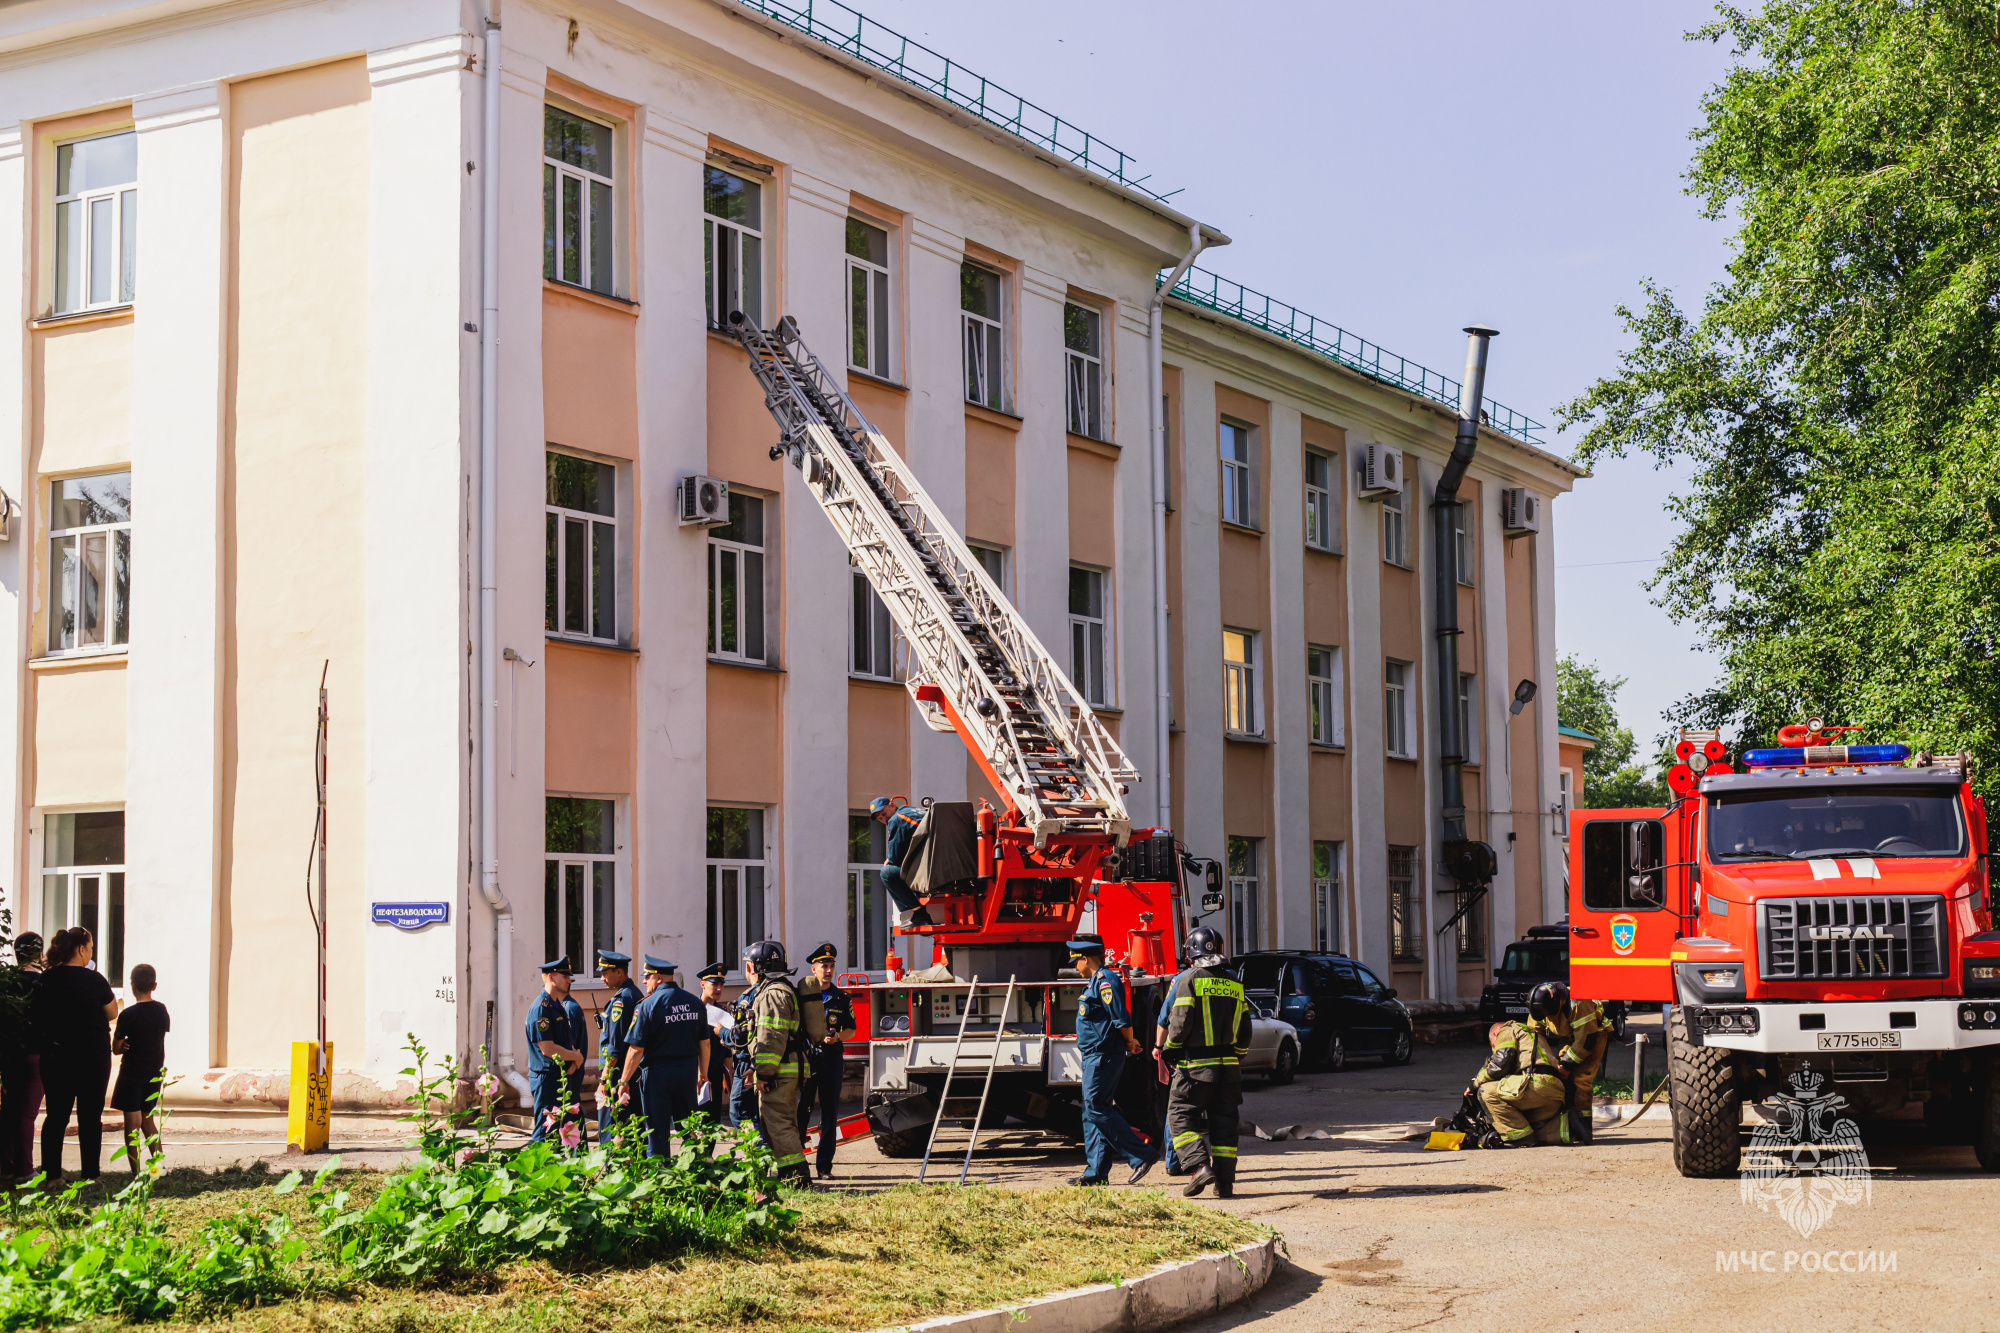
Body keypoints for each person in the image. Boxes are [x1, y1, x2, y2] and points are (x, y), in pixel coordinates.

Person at [1162, 926, 1248, 1198]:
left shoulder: (1189, 979)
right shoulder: (1235, 983)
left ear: (1190, 952)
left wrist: (1170, 1050)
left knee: (1179, 1115)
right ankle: (1225, 1183)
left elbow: (1181, 1021)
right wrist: (1237, 1056)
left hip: (1195, 1067)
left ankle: (1199, 1167)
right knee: (1224, 1124)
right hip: (1229, 1069)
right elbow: (1245, 1029)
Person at [30, 927, 118, 1183]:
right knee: (91, 1117)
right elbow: (112, 1012)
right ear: (81, 949)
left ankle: (52, 1175)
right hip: (93, 1058)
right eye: (90, 948)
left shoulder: (47, 979)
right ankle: (91, 1175)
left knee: (56, 1116)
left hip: (56, 1056)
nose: (91, 953)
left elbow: (37, 1015)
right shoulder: (95, 980)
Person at [1066, 936, 1153, 1188]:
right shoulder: (1095, 981)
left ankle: (1142, 1155)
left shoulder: (1105, 981)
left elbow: (1121, 1018)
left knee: (1096, 1107)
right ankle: (1096, 1172)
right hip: (1095, 1054)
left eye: (1076, 963)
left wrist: (1129, 1041)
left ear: (1085, 959)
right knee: (1091, 1110)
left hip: (1103, 1054)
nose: (1075, 968)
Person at [742, 939, 824, 1186]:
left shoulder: (773, 994)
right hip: (786, 1068)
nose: (747, 972)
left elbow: (771, 1038)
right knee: (783, 1123)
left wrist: (764, 1074)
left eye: (748, 966)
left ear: (756, 967)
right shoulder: (780, 989)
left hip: (780, 1072)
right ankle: (792, 1176)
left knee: (779, 1124)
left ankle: (796, 1179)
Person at [621, 957, 709, 1159]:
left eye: (647, 977)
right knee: (690, 1129)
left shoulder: (646, 1005)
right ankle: (696, 1174)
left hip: (657, 1076)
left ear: (658, 978)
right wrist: (702, 1073)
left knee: (657, 1132)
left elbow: (636, 1049)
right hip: (687, 1074)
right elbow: (705, 1043)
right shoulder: (695, 1002)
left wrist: (625, 1081)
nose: (644, 982)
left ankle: (660, 1181)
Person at [796, 942, 856, 1179]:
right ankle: (798, 1165)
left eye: (831, 965)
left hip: (831, 1060)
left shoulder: (841, 997)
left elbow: (852, 1028)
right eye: (823, 966)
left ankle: (824, 1167)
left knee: (829, 1114)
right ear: (813, 969)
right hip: (808, 1059)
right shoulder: (802, 995)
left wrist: (838, 1036)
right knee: (802, 1110)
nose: (828, 970)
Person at [1470, 1017, 1568, 1147]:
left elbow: (1500, 1065)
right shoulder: (1531, 1034)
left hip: (1536, 1086)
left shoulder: (1507, 1029)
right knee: (1529, 1128)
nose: (1494, 1050)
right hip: (1555, 1094)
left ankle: (1519, 1138)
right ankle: (1570, 1126)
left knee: (1486, 1091)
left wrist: (1474, 1084)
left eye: (1493, 1045)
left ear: (1495, 1034)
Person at [110, 962, 170, 1174]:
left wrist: (122, 1044)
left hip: (131, 1073)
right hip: (154, 1072)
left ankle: (136, 1172)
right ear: (154, 986)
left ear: (132, 986)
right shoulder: (161, 1010)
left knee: (132, 1125)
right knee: (148, 1121)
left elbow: (116, 1048)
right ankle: (159, 1168)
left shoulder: (128, 1014)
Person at [0, 932, 46, 1182]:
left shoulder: (6, 982)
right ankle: (24, 1169)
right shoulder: (43, 984)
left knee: (8, 1109)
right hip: (36, 1052)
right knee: (27, 1113)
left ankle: (6, 1165)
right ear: (39, 954)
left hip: (9, 1053)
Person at [525, 956, 585, 1144]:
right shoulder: (541, 1009)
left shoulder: (556, 1006)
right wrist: (576, 1056)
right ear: (551, 977)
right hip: (546, 1078)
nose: (569, 980)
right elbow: (547, 1048)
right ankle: (537, 1172)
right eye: (565, 975)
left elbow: (565, 1041)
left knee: (564, 1131)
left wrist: (573, 1062)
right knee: (546, 1132)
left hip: (560, 1075)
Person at [593, 950, 641, 1142]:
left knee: (612, 1126)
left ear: (619, 972)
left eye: (605, 973)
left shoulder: (622, 1000)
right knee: (632, 1124)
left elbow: (616, 1045)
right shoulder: (634, 993)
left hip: (618, 1072)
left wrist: (604, 1079)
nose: (602, 978)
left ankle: (611, 1167)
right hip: (631, 1072)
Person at [870, 796, 933, 929]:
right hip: (943, 861)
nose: (884, 819)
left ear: (892, 806)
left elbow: (895, 857)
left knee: (887, 873)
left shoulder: (896, 819)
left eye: (884, 814)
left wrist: (889, 860)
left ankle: (919, 912)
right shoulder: (911, 810)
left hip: (929, 867)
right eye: (880, 819)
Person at [696, 962, 733, 1124]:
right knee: (695, 1125)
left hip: (715, 1076)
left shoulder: (723, 1013)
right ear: (703, 985)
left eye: (721, 984)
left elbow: (726, 1052)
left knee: (712, 1125)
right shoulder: (693, 1010)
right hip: (695, 1076)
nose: (719, 989)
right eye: (714, 984)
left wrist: (729, 1078)